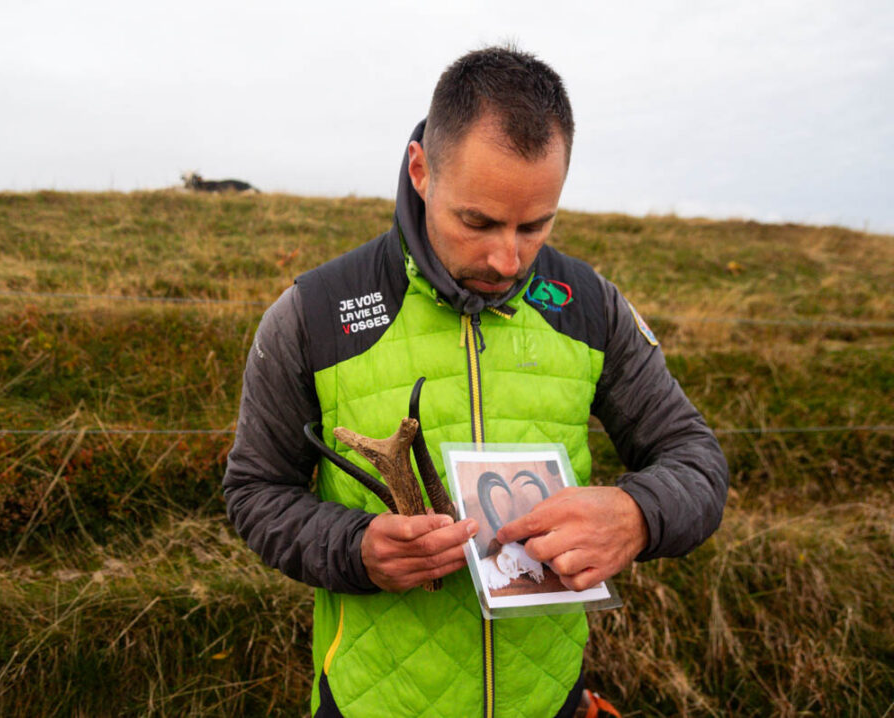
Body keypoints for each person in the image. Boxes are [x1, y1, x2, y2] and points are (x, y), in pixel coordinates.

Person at [223, 45, 728, 718]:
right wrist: (355, 549)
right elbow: (255, 493)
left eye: (536, 225)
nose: (508, 259)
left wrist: (638, 516)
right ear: (421, 170)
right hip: (374, 703)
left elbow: (697, 461)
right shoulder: (312, 314)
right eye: (478, 222)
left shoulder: (590, 307)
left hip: (548, 701)